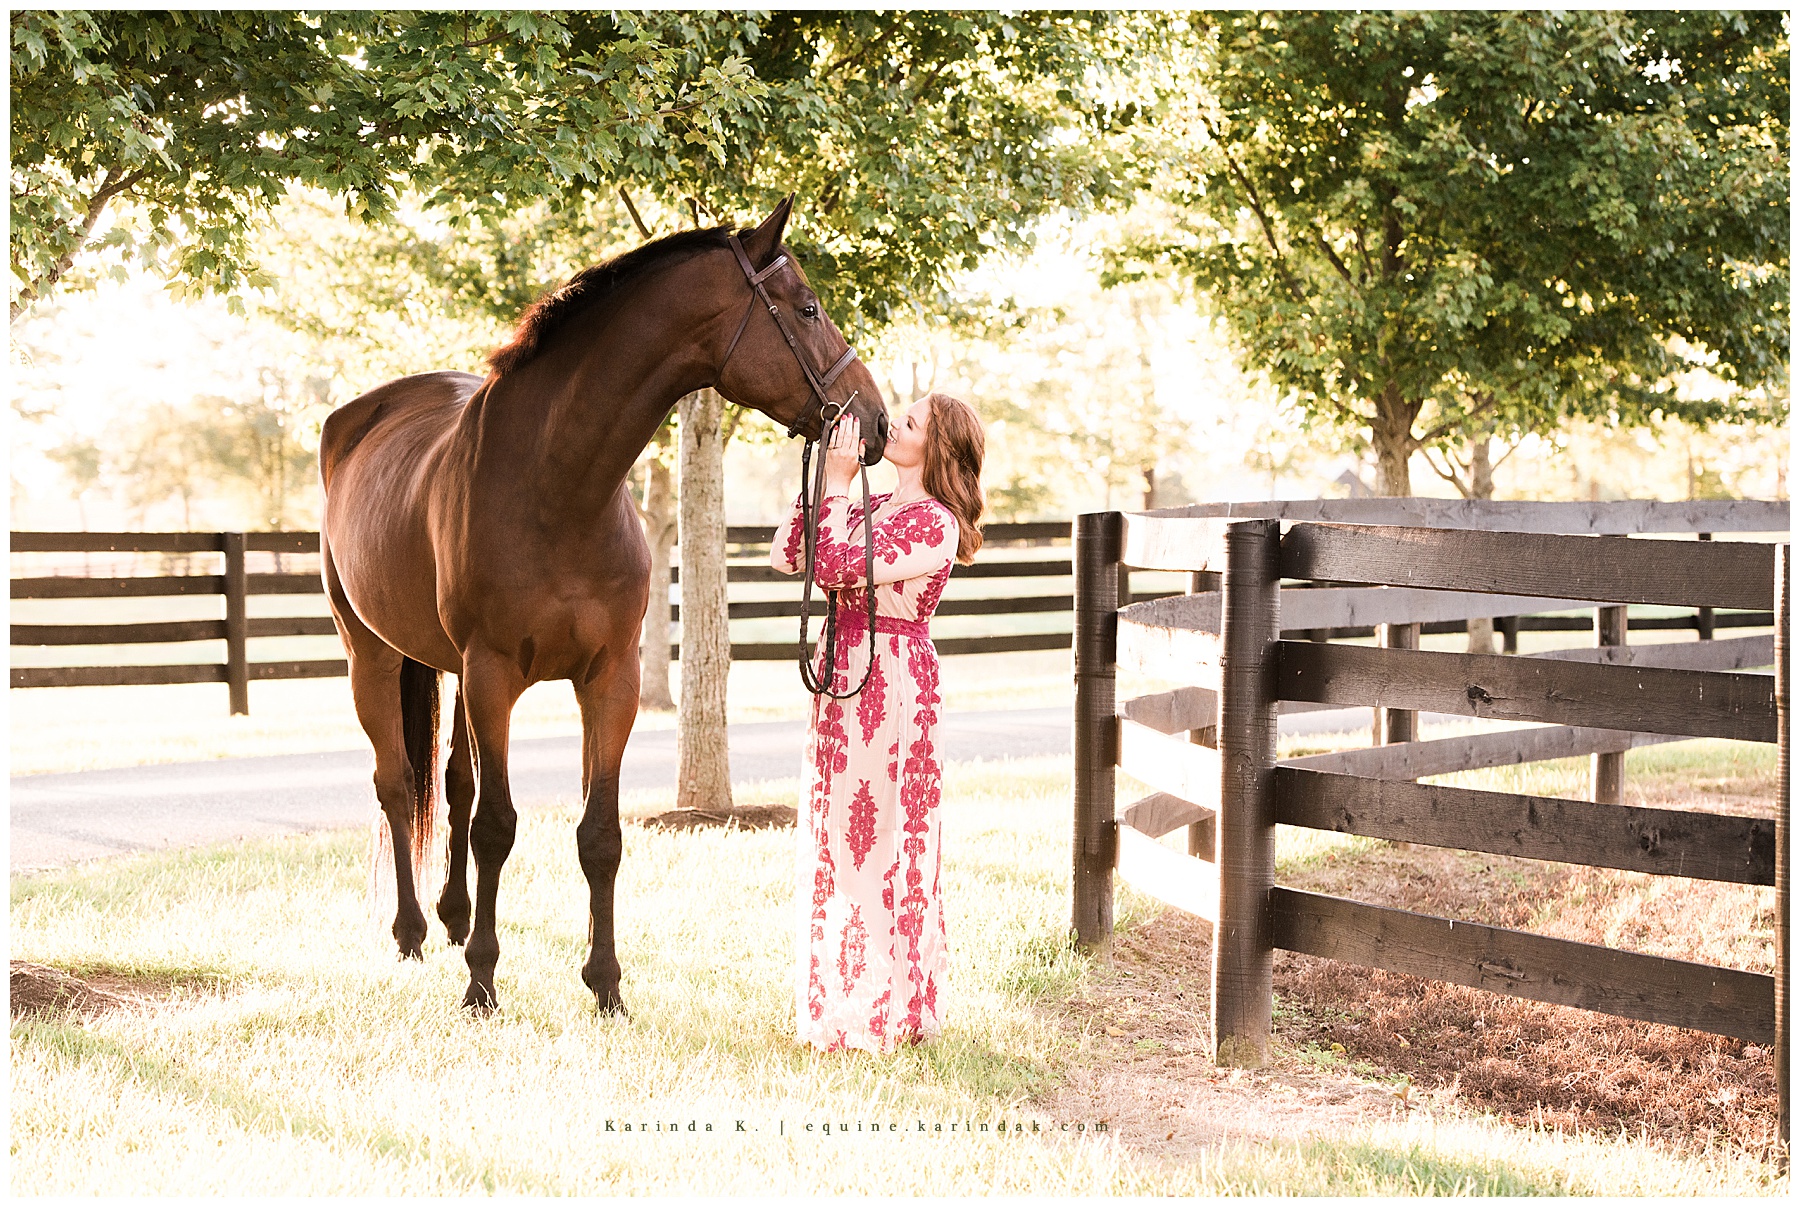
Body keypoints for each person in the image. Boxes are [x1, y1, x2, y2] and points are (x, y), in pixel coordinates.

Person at [771, 391, 986, 1054]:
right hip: (840, 677)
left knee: (884, 837)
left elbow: (836, 565)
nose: (895, 423)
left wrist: (837, 486)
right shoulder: (868, 505)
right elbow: (787, 553)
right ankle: (837, 1002)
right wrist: (825, 481)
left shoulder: (935, 523)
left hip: (892, 686)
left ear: (937, 448)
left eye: (912, 422)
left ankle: (888, 1009)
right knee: (837, 837)